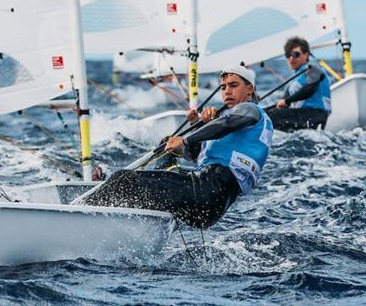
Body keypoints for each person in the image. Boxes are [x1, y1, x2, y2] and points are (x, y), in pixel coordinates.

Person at [82, 66, 273, 229]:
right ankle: (110, 201)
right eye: (223, 87)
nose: (227, 92)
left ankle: (82, 212)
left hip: (208, 190)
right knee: (157, 162)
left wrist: (186, 139)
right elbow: (197, 155)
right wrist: (196, 125)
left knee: (124, 181)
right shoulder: (236, 123)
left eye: (233, 85)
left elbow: (227, 124)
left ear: (250, 89)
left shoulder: (251, 110)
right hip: (210, 203)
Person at [270, 36, 331, 131]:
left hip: (316, 114)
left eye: (295, 54)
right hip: (300, 116)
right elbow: (282, 102)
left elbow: (310, 89)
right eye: (288, 55)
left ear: (306, 54)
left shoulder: (313, 69)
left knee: (270, 117)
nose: (291, 58)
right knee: (264, 116)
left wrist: (286, 101)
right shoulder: (292, 81)